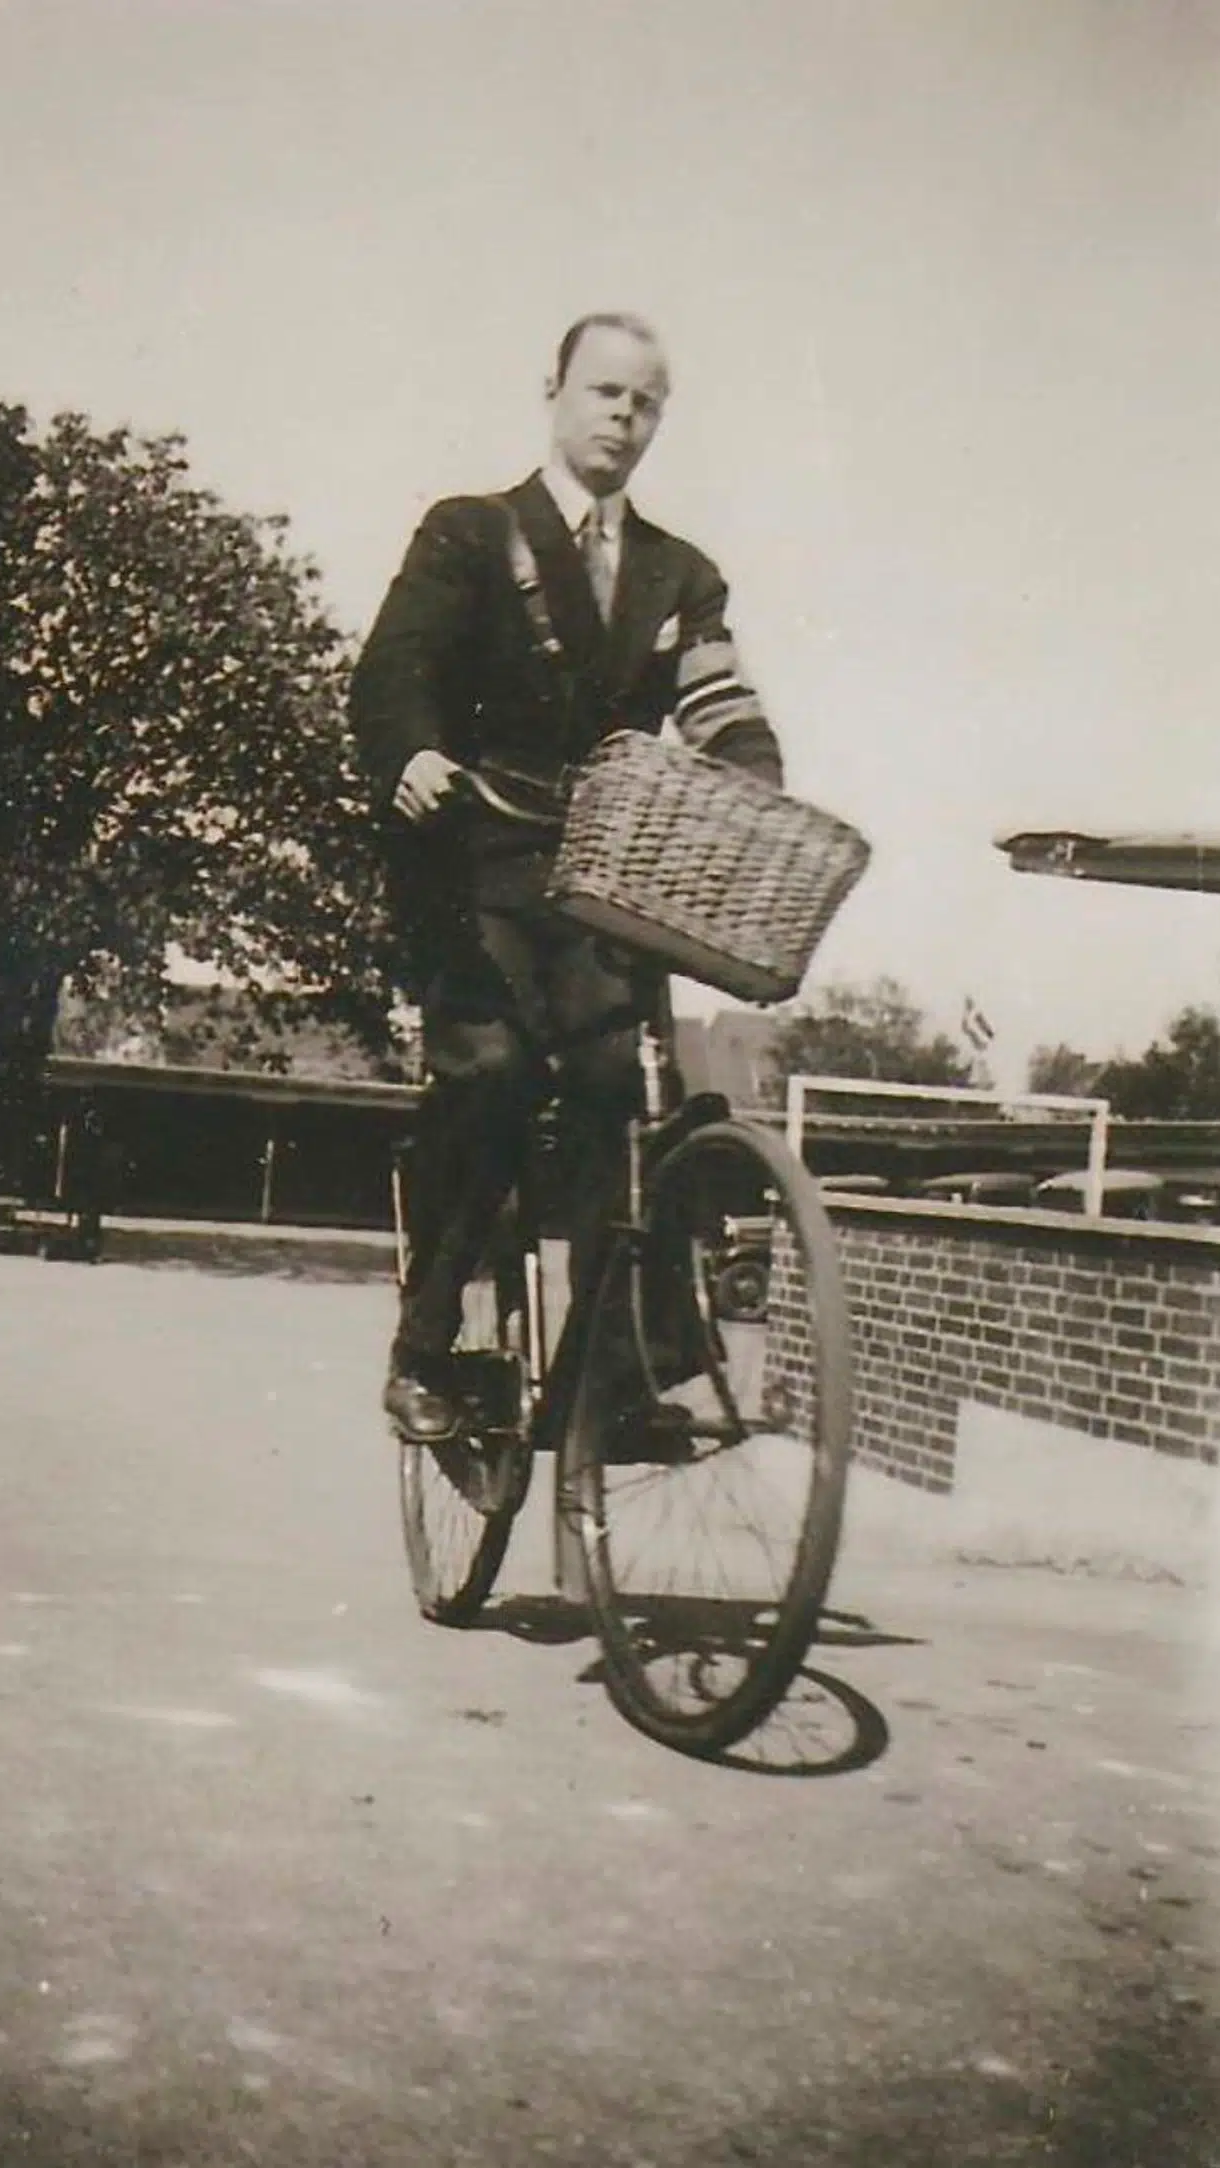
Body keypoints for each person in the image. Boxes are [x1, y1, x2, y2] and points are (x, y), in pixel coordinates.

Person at [349, 312, 784, 1442]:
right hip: (478, 861)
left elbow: (720, 705)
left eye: (644, 404)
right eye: (604, 393)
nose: (623, 421)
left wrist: (758, 795)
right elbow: (395, 668)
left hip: (607, 880)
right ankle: (428, 1342)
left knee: (626, 1099)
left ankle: (614, 1376)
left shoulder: (681, 575)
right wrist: (413, 754)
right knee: (488, 1076)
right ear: (553, 390)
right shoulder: (469, 533)